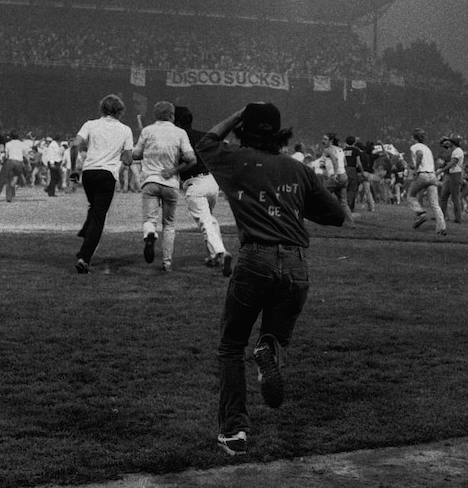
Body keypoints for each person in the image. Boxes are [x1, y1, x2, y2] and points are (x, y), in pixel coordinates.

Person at [196, 102, 346, 457]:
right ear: (280, 134)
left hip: (255, 260)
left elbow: (205, 143)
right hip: (296, 265)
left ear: (245, 130)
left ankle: (235, 432)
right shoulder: (298, 169)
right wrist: (291, 205)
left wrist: (235, 114)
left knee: (232, 345)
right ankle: (268, 348)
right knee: (272, 338)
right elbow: (336, 216)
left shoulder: (236, 160)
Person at [72, 94, 135, 274]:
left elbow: (76, 144)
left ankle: (86, 230)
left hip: (89, 173)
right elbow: (129, 159)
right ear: (120, 111)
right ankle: (85, 257)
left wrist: (73, 170)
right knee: (99, 216)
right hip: (107, 174)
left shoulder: (90, 124)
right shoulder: (125, 130)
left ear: (102, 108)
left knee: (94, 206)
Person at [132, 101, 195, 272]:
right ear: (172, 115)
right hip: (170, 182)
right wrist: (174, 169)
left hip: (150, 181)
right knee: (169, 224)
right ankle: (167, 263)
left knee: (149, 220)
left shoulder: (147, 131)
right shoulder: (180, 132)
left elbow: (136, 154)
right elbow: (191, 159)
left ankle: (150, 234)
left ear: (155, 115)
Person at [174, 105, 230, 274]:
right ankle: (215, 256)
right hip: (212, 182)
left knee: (205, 221)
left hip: (194, 184)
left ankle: (221, 251)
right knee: (210, 220)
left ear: (175, 121)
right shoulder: (203, 136)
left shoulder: (177, 137)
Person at [406, 128, 446, 235]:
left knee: (410, 196)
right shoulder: (427, 148)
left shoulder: (415, 147)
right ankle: (441, 228)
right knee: (435, 204)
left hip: (422, 175)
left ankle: (420, 212)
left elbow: (419, 155)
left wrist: (415, 169)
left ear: (414, 137)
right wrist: (414, 165)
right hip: (432, 176)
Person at [437, 135, 465, 223]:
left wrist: (440, 170)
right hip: (453, 175)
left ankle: (458, 218)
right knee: (444, 196)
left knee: (455, 198)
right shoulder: (456, 151)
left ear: (453, 143)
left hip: (455, 175)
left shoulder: (457, 151)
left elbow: (452, 163)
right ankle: (442, 216)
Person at [0, 129, 28, 202]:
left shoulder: (8, 144)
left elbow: (6, 155)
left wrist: (3, 161)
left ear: (10, 136)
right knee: (16, 176)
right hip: (19, 161)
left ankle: (9, 196)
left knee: (8, 179)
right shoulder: (22, 144)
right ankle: (14, 183)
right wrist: (28, 163)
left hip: (11, 161)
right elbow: (26, 155)